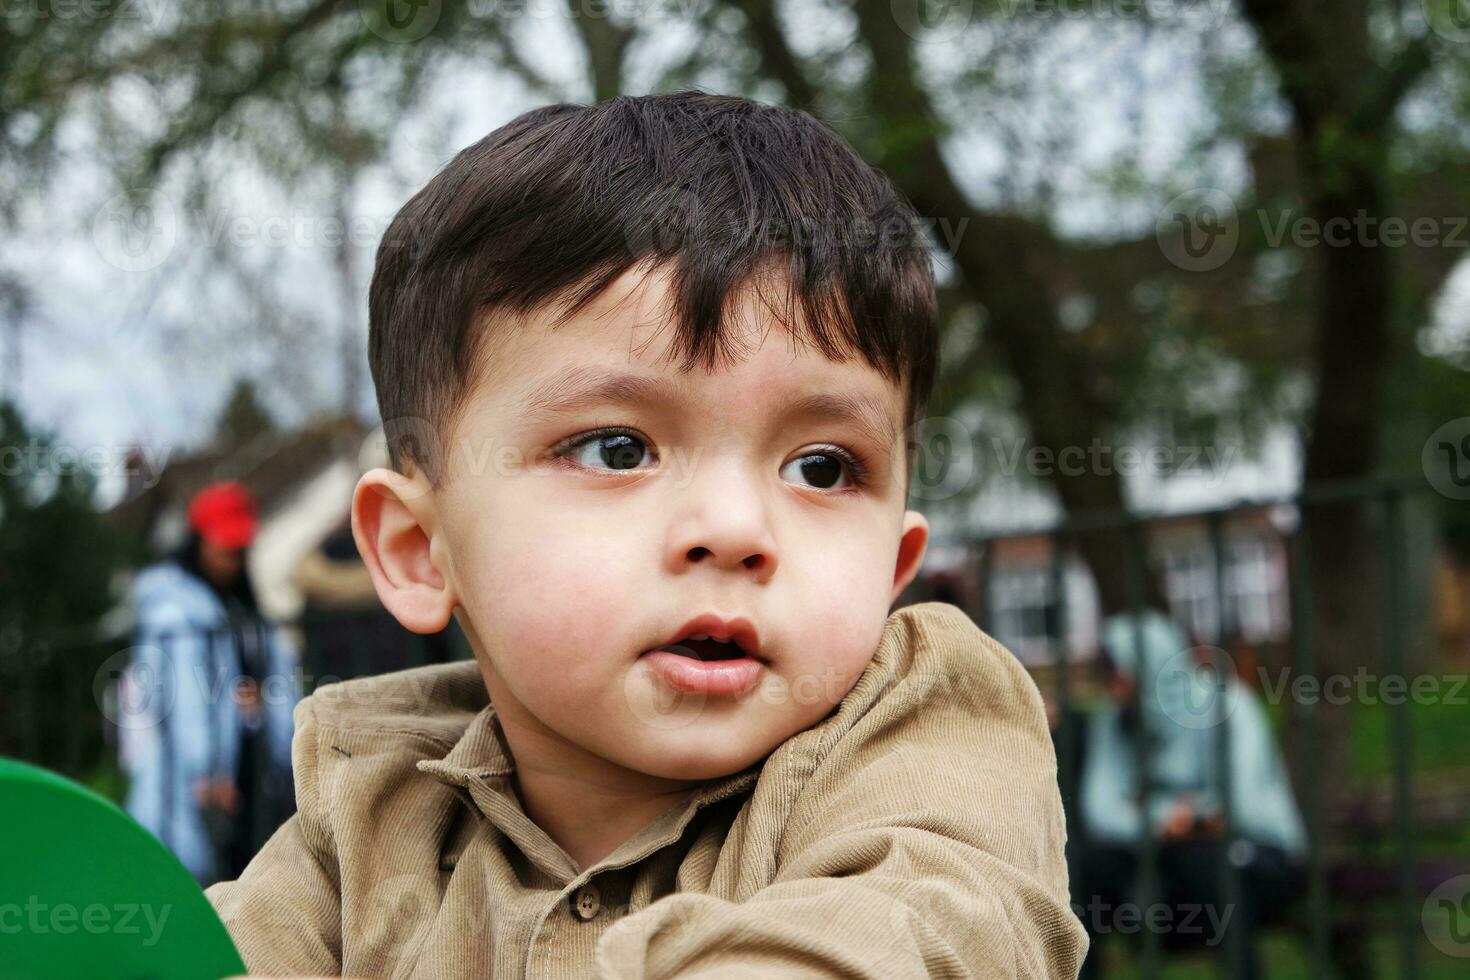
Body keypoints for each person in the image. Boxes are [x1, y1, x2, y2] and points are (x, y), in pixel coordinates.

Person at [203, 92, 1089, 977]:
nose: (737, 531)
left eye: (822, 466)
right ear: (418, 550)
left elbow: (934, 928)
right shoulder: (363, 822)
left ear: (894, 568)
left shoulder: (929, 733)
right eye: (617, 449)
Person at [1073, 611, 1306, 979]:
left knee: (1208, 866)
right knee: (1085, 873)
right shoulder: (1112, 721)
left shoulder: (1227, 705)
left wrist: (1180, 818)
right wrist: (1165, 821)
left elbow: (1238, 803)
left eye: (1117, 674)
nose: (1110, 688)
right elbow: (1100, 810)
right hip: (1162, 863)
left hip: (1254, 859)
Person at [118, 481, 299, 886]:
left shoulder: (238, 606)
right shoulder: (175, 615)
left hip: (248, 769)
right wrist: (206, 771)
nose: (230, 559)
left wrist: (262, 708)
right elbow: (182, 698)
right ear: (198, 542)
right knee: (202, 890)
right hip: (200, 784)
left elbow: (272, 681)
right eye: (223, 546)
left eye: (238, 549)